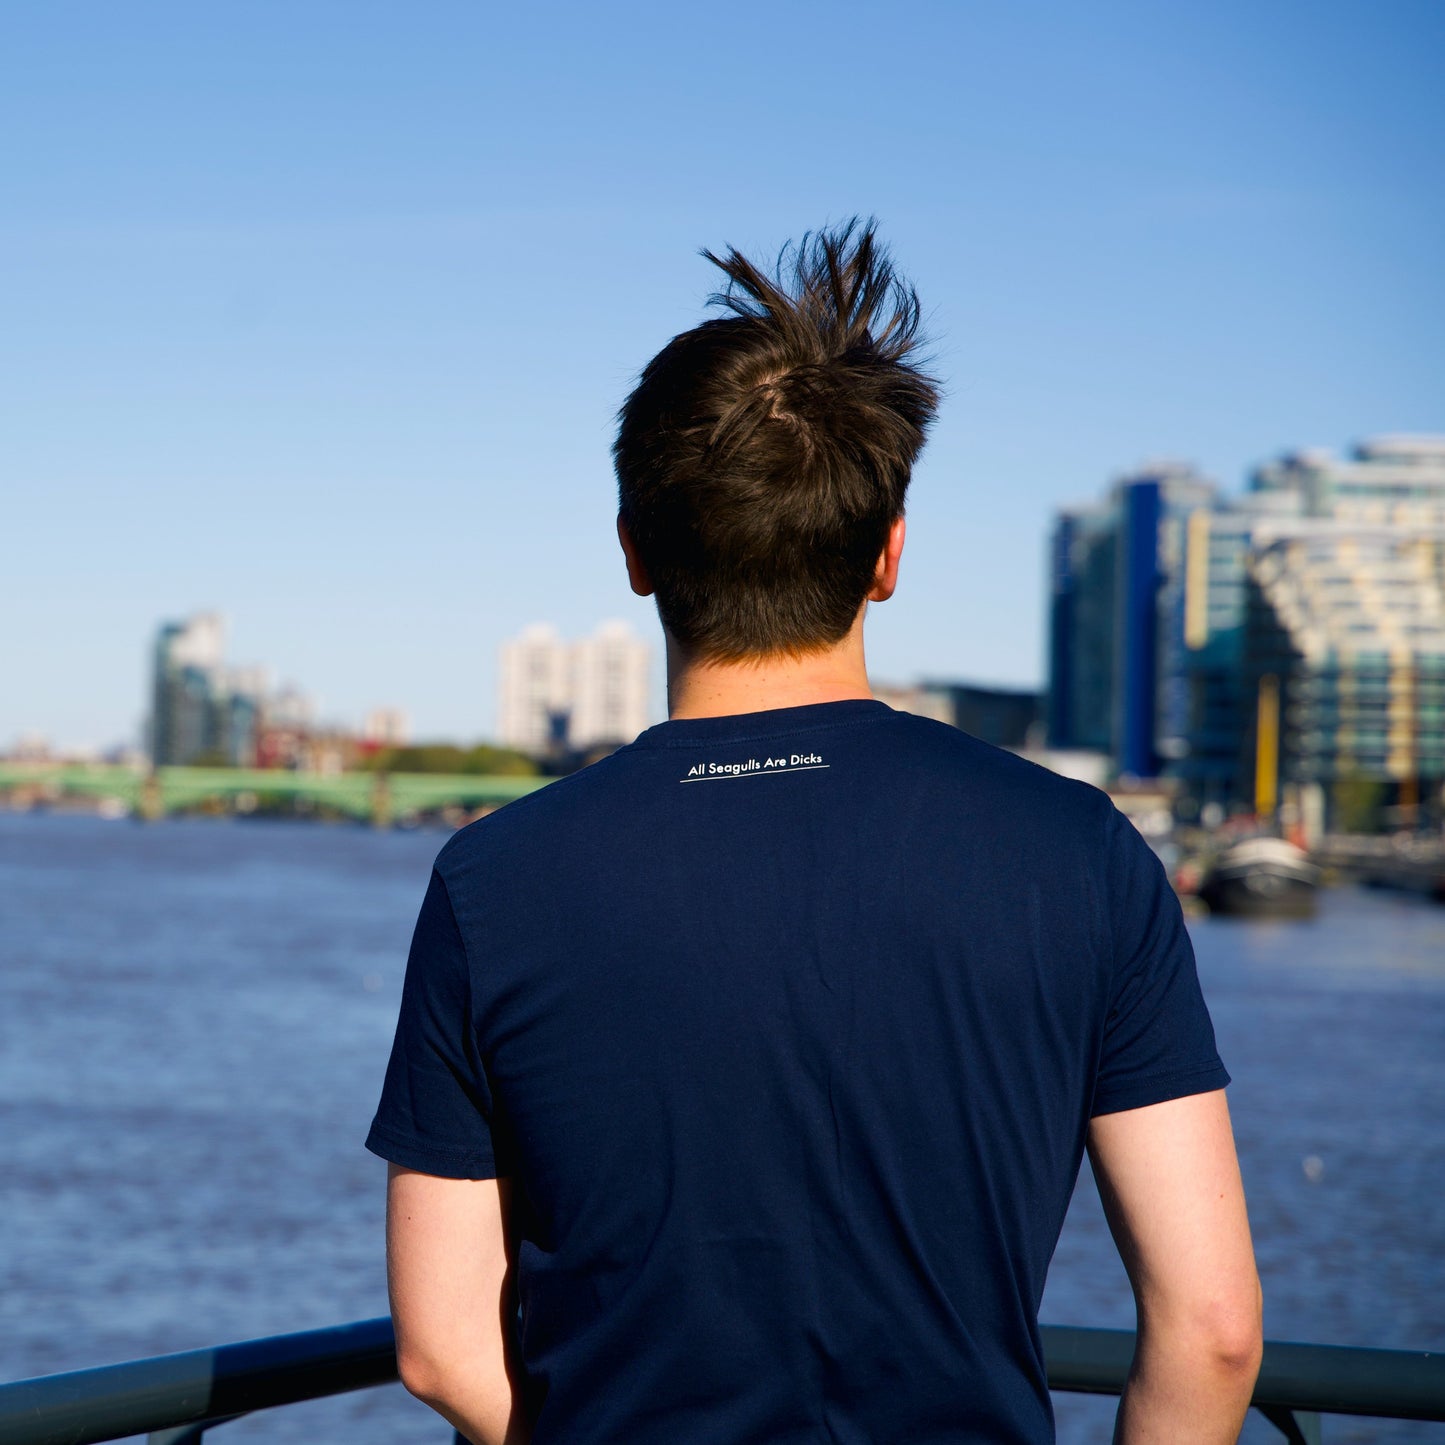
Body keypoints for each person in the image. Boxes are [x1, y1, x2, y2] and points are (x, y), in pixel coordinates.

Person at [366, 220, 1262, 1445]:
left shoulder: (493, 878)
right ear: (886, 554)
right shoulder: (1080, 850)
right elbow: (1212, 1328)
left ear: (634, 549)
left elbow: (440, 1346)